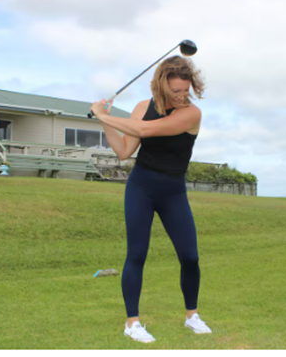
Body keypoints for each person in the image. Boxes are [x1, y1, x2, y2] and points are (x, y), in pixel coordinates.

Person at [90, 56, 210, 343]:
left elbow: (145, 131)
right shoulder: (142, 108)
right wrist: (105, 121)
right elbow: (123, 150)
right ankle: (133, 323)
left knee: (190, 257)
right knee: (137, 254)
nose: (182, 96)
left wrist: (103, 114)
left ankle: (192, 316)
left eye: (186, 89)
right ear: (161, 85)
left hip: (173, 191)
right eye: (175, 91)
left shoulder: (191, 114)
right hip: (141, 187)